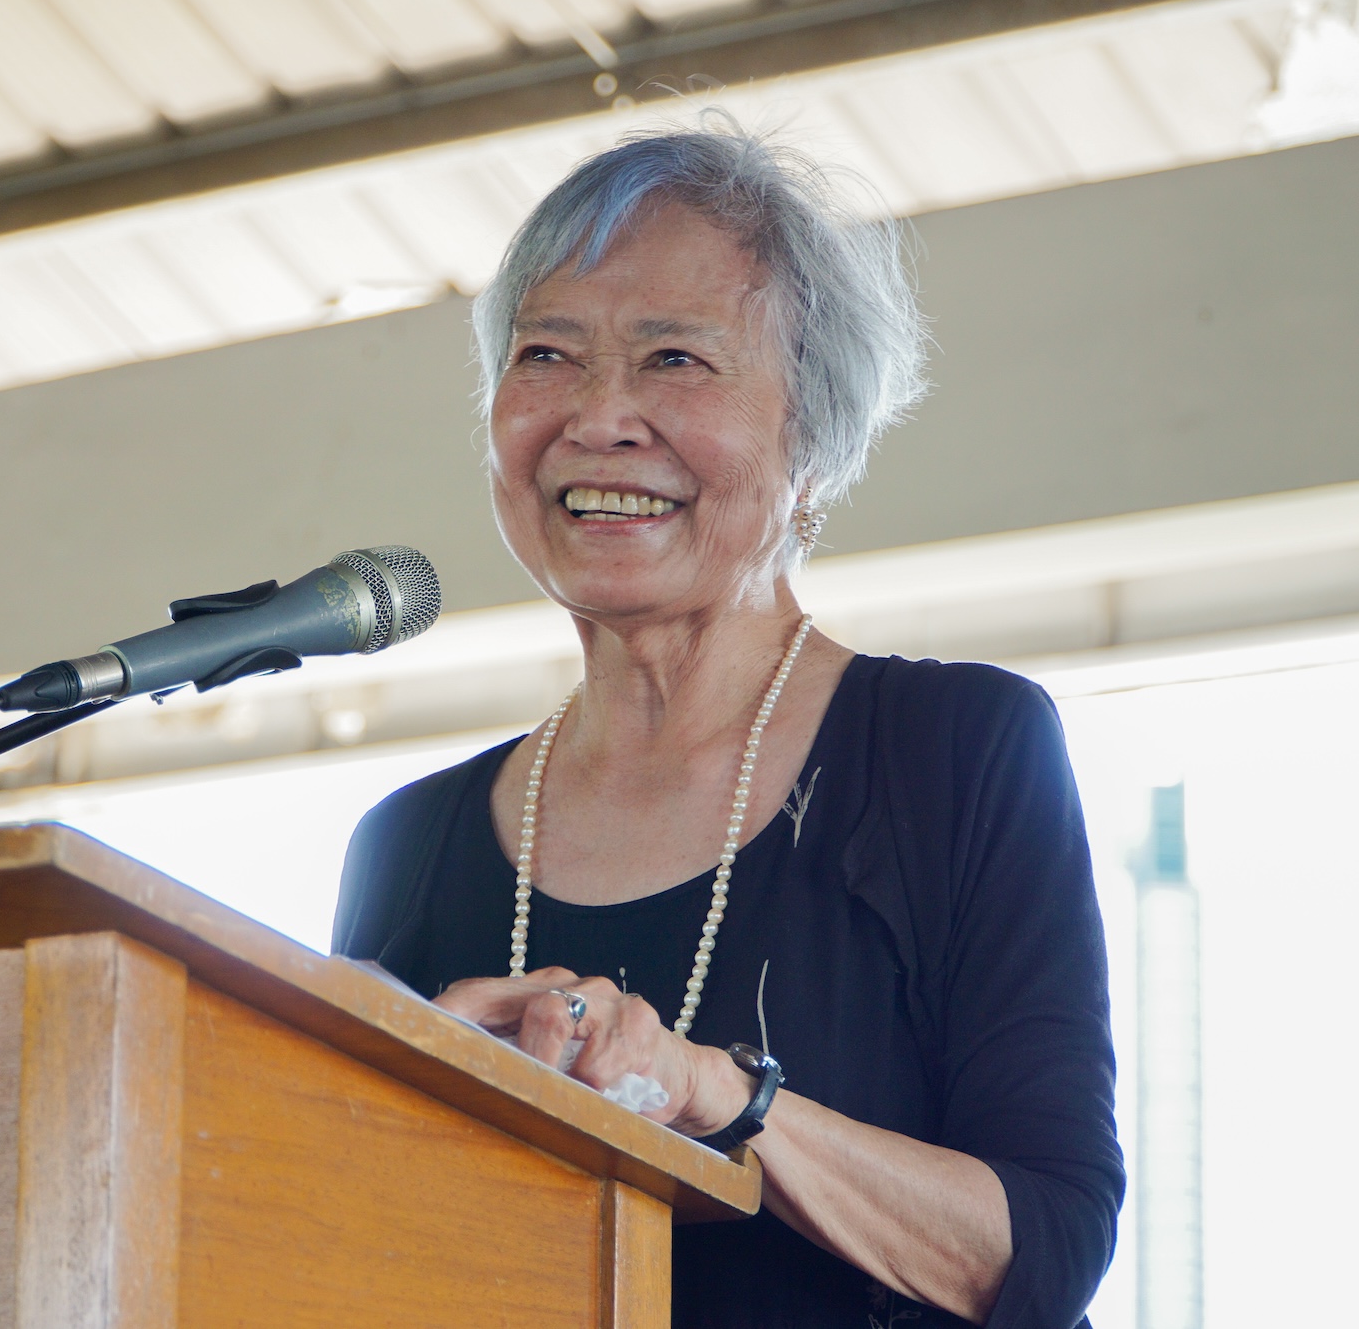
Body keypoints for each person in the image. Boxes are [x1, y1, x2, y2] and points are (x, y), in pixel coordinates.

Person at [333, 122, 1122, 1329]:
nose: (599, 418)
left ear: (812, 439)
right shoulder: (408, 840)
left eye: (675, 362)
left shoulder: (952, 748)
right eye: (548, 353)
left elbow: (1041, 1253)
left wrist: (718, 1098)